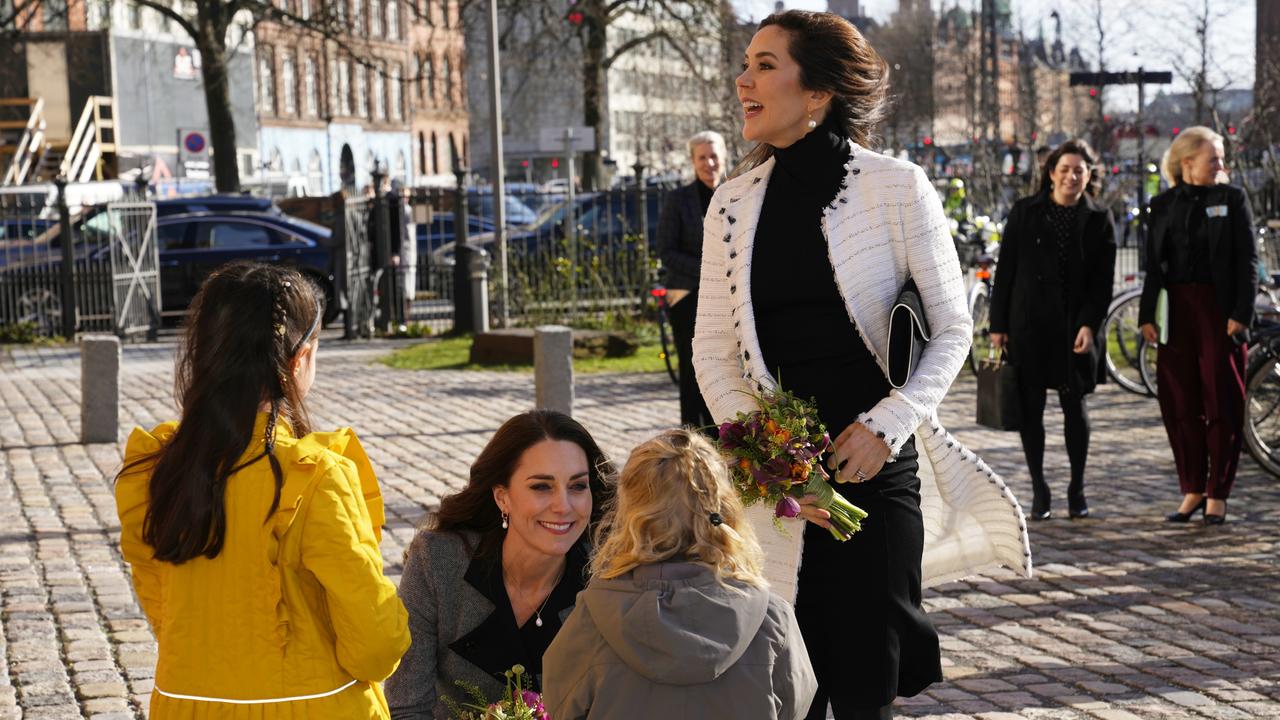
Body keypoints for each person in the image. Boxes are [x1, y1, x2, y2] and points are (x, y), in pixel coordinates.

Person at [693, 11, 1030, 720]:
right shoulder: (730, 204)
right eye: (745, 63)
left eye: (763, 64)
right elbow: (713, 351)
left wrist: (888, 423)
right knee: (788, 683)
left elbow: (952, 328)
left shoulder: (896, 187)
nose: (742, 79)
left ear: (817, 93)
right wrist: (774, 458)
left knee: (866, 686)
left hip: (875, 474)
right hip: (780, 487)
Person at [115, 261, 410, 716]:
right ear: (299, 360)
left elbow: (165, 610)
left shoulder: (154, 469)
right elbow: (375, 643)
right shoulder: (315, 477)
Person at [542, 429, 817, 720]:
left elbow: (559, 705)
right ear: (724, 508)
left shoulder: (593, 616)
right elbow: (796, 705)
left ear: (628, 512)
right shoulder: (772, 617)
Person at [385, 410, 614, 718]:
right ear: (502, 497)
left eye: (577, 486)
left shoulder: (609, 575)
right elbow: (407, 708)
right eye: (541, 486)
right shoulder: (437, 560)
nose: (563, 506)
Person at [988, 139, 1118, 521]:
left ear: (1089, 175)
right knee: (1032, 411)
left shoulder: (1099, 218)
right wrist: (998, 325)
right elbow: (1006, 270)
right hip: (1028, 325)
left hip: (1074, 328)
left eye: (1079, 170)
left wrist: (1090, 325)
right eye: (1064, 169)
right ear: (1051, 173)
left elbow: (1102, 282)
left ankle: (1077, 489)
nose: (1071, 176)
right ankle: (1039, 489)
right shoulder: (1025, 212)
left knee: (1074, 407)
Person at [1139, 126, 1257, 526]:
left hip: (1219, 312)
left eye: (1221, 159)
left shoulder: (1232, 199)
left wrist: (1241, 312)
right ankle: (1192, 488)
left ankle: (1218, 494)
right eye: (1214, 159)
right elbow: (1153, 267)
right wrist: (1145, 316)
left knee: (1223, 399)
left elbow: (1249, 263)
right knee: (1179, 402)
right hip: (1175, 313)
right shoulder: (1163, 204)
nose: (1221, 166)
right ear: (1187, 162)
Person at [657, 130, 727, 432]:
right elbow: (665, 251)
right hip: (688, 296)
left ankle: (722, 435)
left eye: (714, 156)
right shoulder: (678, 200)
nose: (709, 163)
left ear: (723, 158)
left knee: (723, 370)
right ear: (692, 161)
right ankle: (691, 437)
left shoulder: (736, 194)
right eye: (702, 157)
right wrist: (708, 269)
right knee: (691, 370)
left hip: (727, 298)